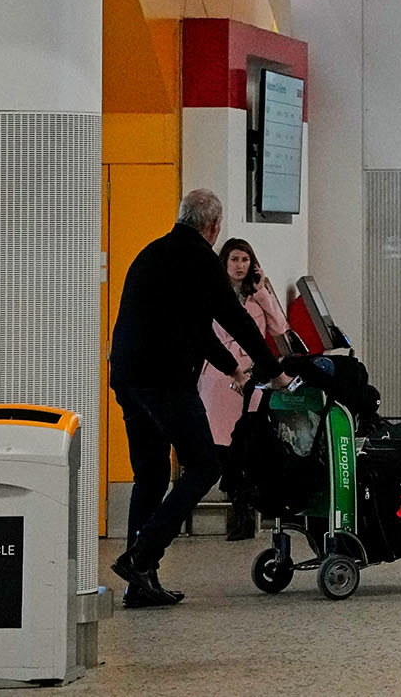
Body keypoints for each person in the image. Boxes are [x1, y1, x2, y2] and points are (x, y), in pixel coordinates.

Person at [108, 190, 290, 607]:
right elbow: (239, 321)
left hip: (127, 378)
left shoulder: (151, 253)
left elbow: (196, 329)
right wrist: (275, 372)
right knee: (205, 464)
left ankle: (141, 585)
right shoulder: (201, 261)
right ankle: (141, 555)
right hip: (165, 381)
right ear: (212, 228)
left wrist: (230, 368)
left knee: (151, 476)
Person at [198, 237, 288, 543]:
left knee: (247, 443)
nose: (240, 266)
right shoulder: (212, 294)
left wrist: (262, 291)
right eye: (234, 259)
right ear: (224, 263)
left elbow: (279, 327)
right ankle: (234, 501)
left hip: (252, 377)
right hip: (219, 377)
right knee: (220, 445)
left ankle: (245, 510)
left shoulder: (257, 297)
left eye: (245, 260)